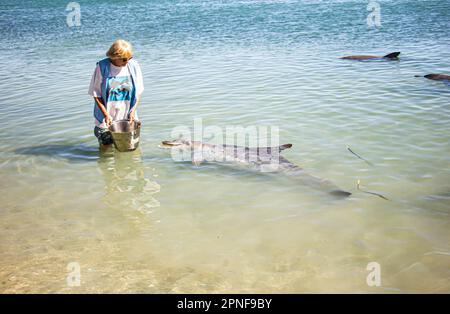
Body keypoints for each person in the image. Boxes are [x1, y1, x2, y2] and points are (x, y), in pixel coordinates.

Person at [88, 39, 144, 149]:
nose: (127, 61)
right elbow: (96, 94)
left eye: (129, 58)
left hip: (127, 118)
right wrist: (106, 115)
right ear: (114, 57)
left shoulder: (133, 66)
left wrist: (133, 111)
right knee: (106, 151)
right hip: (106, 120)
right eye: (124, 59)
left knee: (129, 150)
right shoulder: (102, 67)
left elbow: (138, 93)